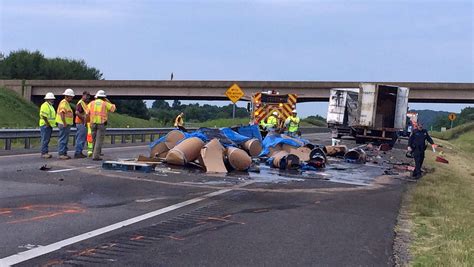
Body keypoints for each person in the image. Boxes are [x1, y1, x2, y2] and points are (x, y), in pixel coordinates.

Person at [88, 90, 116, 161]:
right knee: (99, 140)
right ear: (104, 97)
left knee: (94, 140)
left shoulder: (92, 103)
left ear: (97, 96)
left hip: (93, 123)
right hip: (101, 124)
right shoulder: (105, 103)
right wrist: (108, 101)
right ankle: (96, 156)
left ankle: (94, 154)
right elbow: (113, 109)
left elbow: (87, 112)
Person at [55, 88, 75, 160]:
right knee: (63, 139)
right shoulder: (64, 103)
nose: (72, 98)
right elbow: (62, 113)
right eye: (71, 96)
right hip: (64, 124)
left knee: (65, 139)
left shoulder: (66, 103)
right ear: (67, 96)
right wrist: (64, 123)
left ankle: (64, 153)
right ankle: (62, 153)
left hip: (65, 124)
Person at [74, 91, 91, 158]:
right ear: (83, 95)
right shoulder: (80, 103)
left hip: (83, 123)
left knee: (82, 138)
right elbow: (77, 112)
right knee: (80, 138)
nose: (88, 98)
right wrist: (83, 118)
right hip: (81, 123)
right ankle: (78, 152)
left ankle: (79, 152)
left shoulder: (84, 103)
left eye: (89, 96)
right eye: (87, 96)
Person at [39, 92, 56, 158]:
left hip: (49, 125)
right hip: (45, 125)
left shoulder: (50, 106)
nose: (53, 100)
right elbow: (44, 116)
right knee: (45, 139)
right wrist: (47, 123)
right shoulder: (45, 105)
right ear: (48, 99)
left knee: (47, 139)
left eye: (53, 99)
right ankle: (44, 153)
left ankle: (45, 152)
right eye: (51, 99)